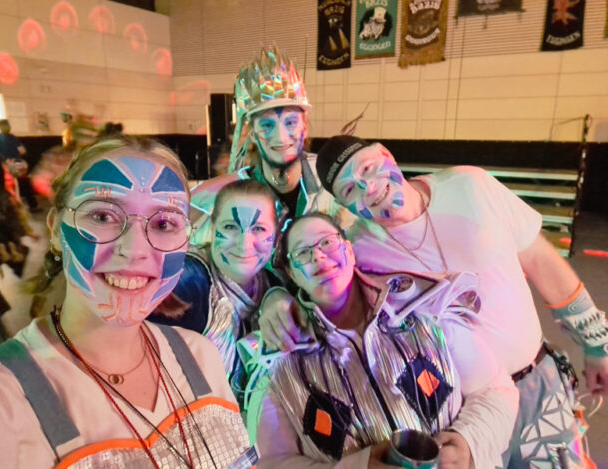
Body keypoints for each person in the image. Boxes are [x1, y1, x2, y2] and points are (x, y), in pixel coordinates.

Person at [305, 135, 603, 467]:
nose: (368, 188)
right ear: (344, 205)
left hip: (535, 386)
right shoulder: (360, 251)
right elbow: (323, 301)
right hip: (461, 416)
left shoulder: (469, 188)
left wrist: (596, 340)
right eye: (350, 190)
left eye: (367, 169)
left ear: (386, 153)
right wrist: (280, 303)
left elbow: (541, 262)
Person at [0, 136, 256, 468]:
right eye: (102, 216)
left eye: (164, 223)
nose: (135, 249)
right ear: (55, 229)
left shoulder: (202, 357)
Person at [257, 213, 518, 468]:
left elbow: (495, 389)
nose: (318, 255)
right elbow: (273, 460)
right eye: (302, 252)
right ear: (291, 274)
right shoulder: (278, 360)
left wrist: (468, 442)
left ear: (349, 251)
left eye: (327, 241)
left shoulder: (424, 310)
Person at [188, 47, 352, 245]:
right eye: (267, 125)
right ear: (252, 133)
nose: (281, 138)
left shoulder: (332, 184)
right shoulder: (222, 197)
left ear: (305, 126)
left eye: (290, 122)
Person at [150, 180, 281, 409]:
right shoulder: (188, 281)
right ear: (212, 227)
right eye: (230, 227)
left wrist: (278, 295)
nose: (244, 244)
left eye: (259, 229)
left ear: (276, 235)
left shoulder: (274, 284)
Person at [0, 118, 38, 211]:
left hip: (9, 164)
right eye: (6, 125)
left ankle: (24, 205)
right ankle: (30, 205)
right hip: (10, 164)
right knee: (20, 184)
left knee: (16, 185)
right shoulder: (5, 138)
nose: (8, 127)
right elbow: (22, 151)